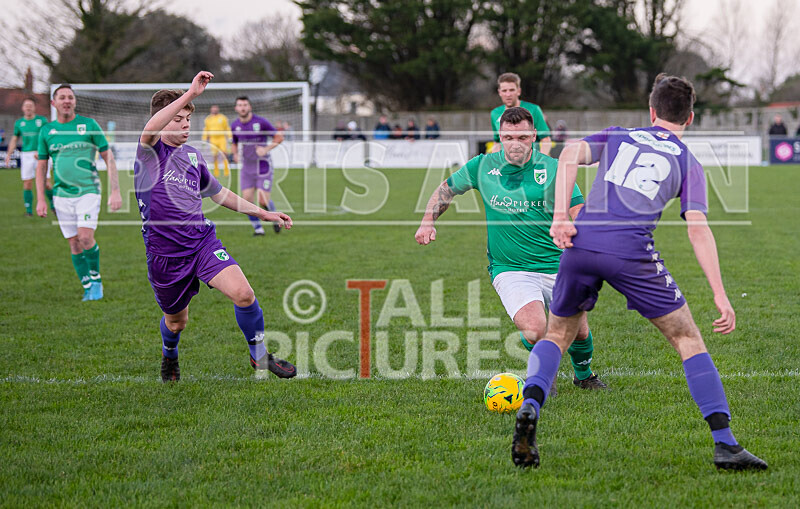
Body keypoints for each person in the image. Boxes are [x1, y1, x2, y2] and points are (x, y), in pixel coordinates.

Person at [510, 74, 767, 471]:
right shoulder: (687, 160)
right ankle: (726, 445)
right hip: (630, 249)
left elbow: (565, 156)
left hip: (581, 241)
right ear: (691, 118)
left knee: (558, 334)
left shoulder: (619, 134)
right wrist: (719, 293)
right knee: (687, 338)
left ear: (651, 111)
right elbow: (697, 227)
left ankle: (530, 404)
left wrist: (561, 216)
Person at [415, 106, 607, 394]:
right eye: (507, 137)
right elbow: (447, 189)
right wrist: (427, 220)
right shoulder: (482, 166)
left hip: (559, 264)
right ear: (499, 137)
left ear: (533, 136)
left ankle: (584, 375)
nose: (514, 143)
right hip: (510, 268)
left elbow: (576, 206)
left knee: (578, 330)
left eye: (521, 136)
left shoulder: (553, 168)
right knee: (535, 329)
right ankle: (544, 375)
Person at [134, 71, 296, 382]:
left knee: (244, 294)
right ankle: (170, 354)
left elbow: (219, 194)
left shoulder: (194, 157)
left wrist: (264, 213)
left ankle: (259, 354)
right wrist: (190, 95)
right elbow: (149, 129)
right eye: (178, 118)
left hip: (202, 243)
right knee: (176, 322)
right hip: (165, 256)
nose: (185, 124)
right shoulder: (149, 153)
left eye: (187, 119)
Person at [36, 84, 122, 301]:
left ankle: (96, 280)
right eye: (62, 97)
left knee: (85, 237)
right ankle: (87, 285)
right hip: (61, 195)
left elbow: (108, 157)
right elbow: (41, 167)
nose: (67, 101)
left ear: (75, 102)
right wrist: (40, 199)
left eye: (71, 97)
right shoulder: (47, 131)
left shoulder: (89, 125)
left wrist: (115, 191)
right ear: (54, 103)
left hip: (88, 191)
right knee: (73, 242)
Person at [230, 96, 284, 236]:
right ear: (236, 108)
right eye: (240, 105)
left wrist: (265, 149)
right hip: (247, 168)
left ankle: (275, 218)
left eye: (245, 105)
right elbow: (234, 142)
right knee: (247, 200)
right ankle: (258, 229)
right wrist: (235, 154)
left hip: (263, 166)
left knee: (262, 200)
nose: (242, 107)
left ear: (250, 107)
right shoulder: (235, 125)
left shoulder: (261, 122)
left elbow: (279, 137)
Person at [5, 97, 51, 216]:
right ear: (23, 108)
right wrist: (8, 155)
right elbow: (14, 139)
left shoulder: (42, 120)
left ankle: (53, 206)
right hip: (26, 155)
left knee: (46, 183)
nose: (28, 108)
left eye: (30, 105)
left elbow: (48, 137)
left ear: (34, 107)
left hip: (41, 154)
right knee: (27, 183)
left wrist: (44, 150)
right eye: (26, 106)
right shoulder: (19, 123)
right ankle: (29, 211)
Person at [491, 73, 551, 156]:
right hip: (507, 165)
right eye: (504, 91)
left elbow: (545, 140)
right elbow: (497, 142)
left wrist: (539, 162)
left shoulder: (534, 110)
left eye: (512, 90)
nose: (508, 94)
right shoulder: (495, 113)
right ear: (499, 92)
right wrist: (495, 163)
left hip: (529, 164)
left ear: (518, 91)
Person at [201, 104, 231, 178]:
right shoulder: (208, 119)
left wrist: (230, 137)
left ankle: (226, 172)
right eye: (213, 108)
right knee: (215, 156)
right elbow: (206, 129)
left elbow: (227, 128)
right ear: (211, 110)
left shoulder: (223, 118)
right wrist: (204, 139)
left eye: (216, 108)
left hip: (222, 138)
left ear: (218, 109)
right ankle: (216, 172)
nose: (214, 110)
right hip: (213, 139)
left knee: (224, 154)